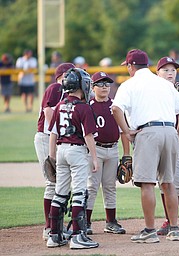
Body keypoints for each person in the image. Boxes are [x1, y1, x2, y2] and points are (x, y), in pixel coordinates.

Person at [111, 49, 179, 243]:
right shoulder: (163, 83)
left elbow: (115, 108)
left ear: (131, 66)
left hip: (147, 133)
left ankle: (149, 230)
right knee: (168, 182)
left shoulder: (129, 84)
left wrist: (127, 130)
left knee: (147, 184)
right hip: (169, 132)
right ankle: (174, 229)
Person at [47, 67, 99, 249]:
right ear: (82, 86)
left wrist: (52, 156)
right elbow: (88, 136)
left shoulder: (60, 106)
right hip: (76, 151)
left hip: (61, 151)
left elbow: (52, 133)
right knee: (79, 193)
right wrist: (94, 158)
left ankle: (54, 235)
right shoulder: (84, 107)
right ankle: (77, 236)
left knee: (60, 192)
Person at [34, 62, 75, 241]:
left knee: (61, 183)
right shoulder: (56, 87)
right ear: (62, 76)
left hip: (56, 139)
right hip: (46, 137)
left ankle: (55, 226)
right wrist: (58, 134)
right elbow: (49, 111)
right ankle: (49, 228)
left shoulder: (69, 92)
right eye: (70, 74)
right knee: (52, 181)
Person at [155, 56, 179, 235]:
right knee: (163, 181)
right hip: (158, 139)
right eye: (166, 70)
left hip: (178, 140)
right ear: (157, 73)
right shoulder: (152, 90)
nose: (170, 73)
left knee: (178, 181)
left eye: (173, 70)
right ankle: (168, 221)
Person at [86, 71, 129, 235]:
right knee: (92, 186)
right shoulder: (88, 106)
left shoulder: (115, 106)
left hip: (112, 150)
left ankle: (111, 222)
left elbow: (123, 132)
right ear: (93, 86)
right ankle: (86, 222)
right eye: (100, 84)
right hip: (94, 150)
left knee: (110, 187)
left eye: (107, 84)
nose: (104, 87)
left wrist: (126, 154)